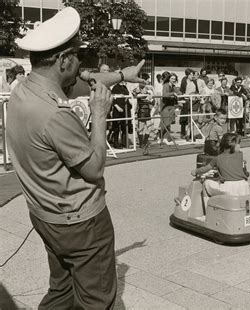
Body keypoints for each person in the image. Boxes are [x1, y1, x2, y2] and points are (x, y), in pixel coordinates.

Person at [6, 7, 144, 309]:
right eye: (78, 56)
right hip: (81, 223)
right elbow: (94, 168)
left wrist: (122, 75)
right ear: (63, 59)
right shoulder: (55, 113)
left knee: (63, 290)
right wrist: (99, 114)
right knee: (98, 299)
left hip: (47, 216)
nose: (83, 64)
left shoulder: (23, 91)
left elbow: (77, 82)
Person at [133, 73, 155, 155]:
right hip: (141, 109)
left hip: (148, 109)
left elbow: (152, 98)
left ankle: (145, 141)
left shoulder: (149, 89)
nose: (146, 82)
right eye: (144, 80)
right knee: (141, 127)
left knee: (149, 127)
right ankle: (141, 143)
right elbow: (136, 95)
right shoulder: (137, 89)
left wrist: (150, 95)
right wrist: (146, 95)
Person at [111, 76, 132, 148]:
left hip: (125, 110)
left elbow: (127, 96)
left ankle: (124, 142)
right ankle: (115, 143)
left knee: (124, 126)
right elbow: (112, 98)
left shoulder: (125, 87)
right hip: (118, 110)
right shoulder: (115, 87)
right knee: (116, 127)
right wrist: (116, 106)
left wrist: (130, 105)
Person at [161, 72, 181, 145]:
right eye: (172, 78)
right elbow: (164, 95)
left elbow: (179, 92)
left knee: (169, 122)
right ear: (169, 79)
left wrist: (177, 93)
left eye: (174, 79)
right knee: (165, 122)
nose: (173, 80)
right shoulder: (165, 85)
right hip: (165, 106)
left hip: (171, 106)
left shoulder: (174, 86)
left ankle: (165, 137)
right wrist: (173, 94)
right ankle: (163, 138)